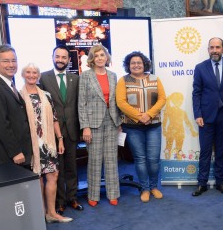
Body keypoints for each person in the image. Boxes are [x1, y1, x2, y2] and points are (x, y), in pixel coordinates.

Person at [20, 63, 72, 223]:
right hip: (31, 144)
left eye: (34, 72)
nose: (31, 75)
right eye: (28, 72)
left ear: (38, 75)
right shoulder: (18, 95)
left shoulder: (46, 95)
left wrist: (60, 139)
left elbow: (55, 118)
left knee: (53, 175)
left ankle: (52, 213)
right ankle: (41, 215)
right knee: (37, 179)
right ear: (23, 74)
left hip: (48, 143)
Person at [116, 51, 166, 203]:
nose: (136, 65)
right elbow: (121, 102)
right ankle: (144, 189)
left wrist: (149, 115)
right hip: (132, 127)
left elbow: (162, 98)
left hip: (153, 125)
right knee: (140, 159)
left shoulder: (154, 78)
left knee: (153, 159)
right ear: (128, 65)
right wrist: (139, 116)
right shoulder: (123, 80)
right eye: (133, 63)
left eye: (139, 62)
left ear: (144, 63)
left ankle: (154, 187)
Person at [39, 45, 83, 215]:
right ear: (52, 57)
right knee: (58, 169)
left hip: (72, 130)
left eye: (64, 57)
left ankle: (72, 198)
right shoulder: (43, 78)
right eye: (57, 56)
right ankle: (60, 201)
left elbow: (78, 104)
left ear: (69, 60)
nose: (60, 60)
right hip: (53, 132)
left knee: (72, 167)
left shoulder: (75, 79)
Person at [78, 45, 121, 207]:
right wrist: (85, 127)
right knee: (95, 160)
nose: (100, 58)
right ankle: (93, 195)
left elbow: (115, 101)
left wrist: (119, 123)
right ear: (92, 59)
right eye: (96, 56)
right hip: (93, 124)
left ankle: (113, 193)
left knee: (111, 160)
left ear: (107, 57)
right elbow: (81, 104)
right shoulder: (85, 76)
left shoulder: (113, 76)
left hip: (111, 122)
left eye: (103, 55)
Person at [192, 37, 223, 197]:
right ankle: (202, 183)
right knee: (205, 151)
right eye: (211, 47)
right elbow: (196, 92)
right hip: (206, 117)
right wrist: (197, 114)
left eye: (217, 47)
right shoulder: (200, 67)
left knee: (221, 150)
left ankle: (220, 182)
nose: (214, 50)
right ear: (208, 49)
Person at [0, 44, 32, 166]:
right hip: (9, 156)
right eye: (6, 61)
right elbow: (0, 124)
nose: (11, 65)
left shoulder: (9, 85)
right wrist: (15, 152)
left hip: (19, 153)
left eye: (14, 60)